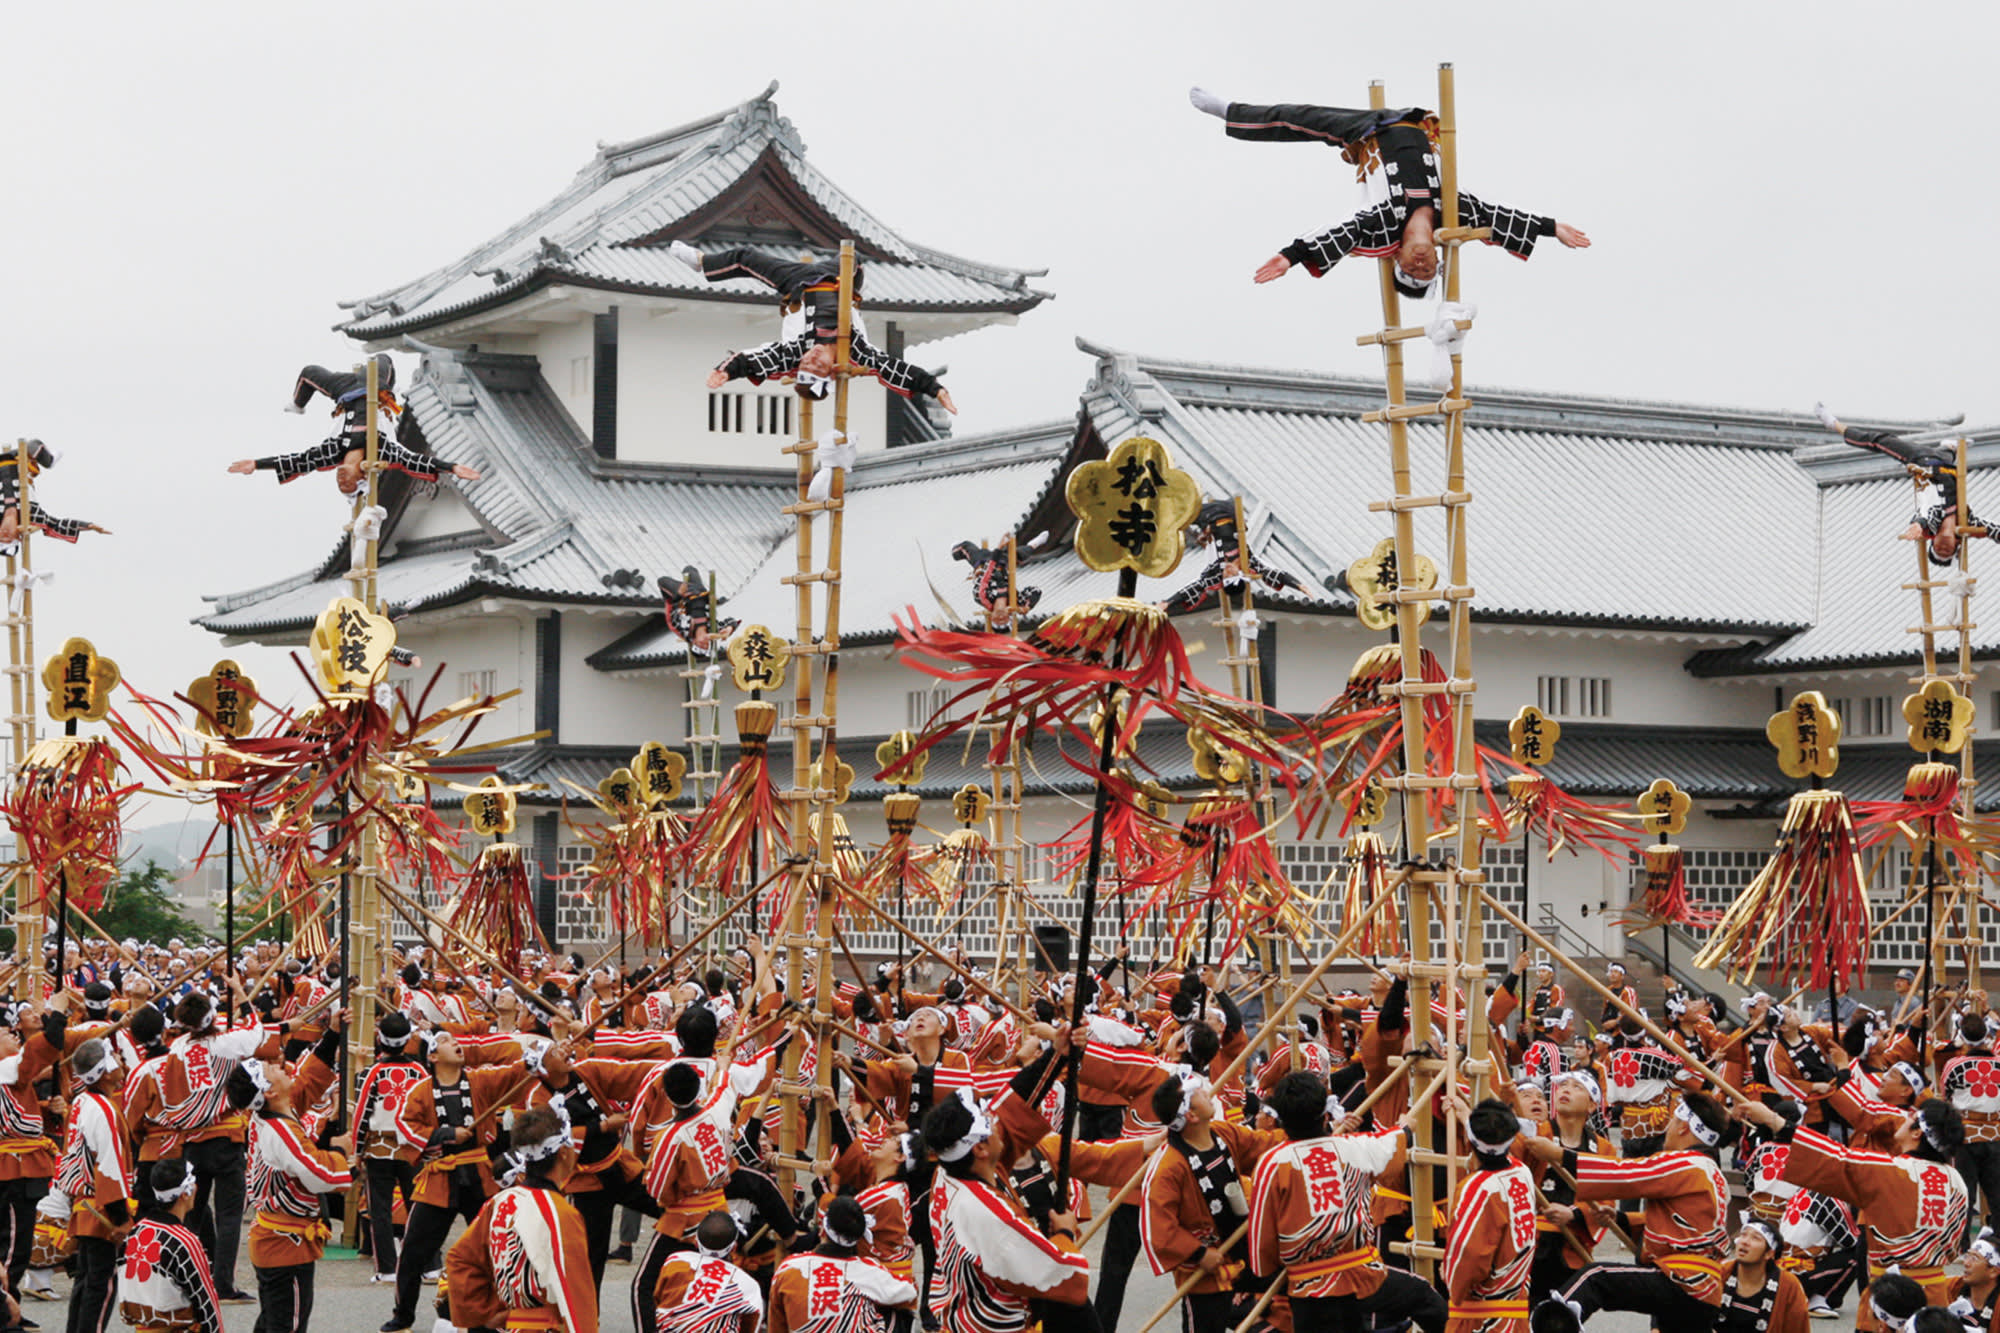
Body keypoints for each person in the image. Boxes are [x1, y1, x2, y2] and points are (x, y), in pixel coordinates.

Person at [1186, 90, 1590, 296]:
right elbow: (1498, 216)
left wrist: (1289, 257)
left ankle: (1229, 111)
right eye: (1427, 271)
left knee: (1297, 119)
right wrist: (1553, 228)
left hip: (1366, 133)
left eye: (1411, 270)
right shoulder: (1454, 213)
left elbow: (1340, 233)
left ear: (1397, 257)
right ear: (1438, 260)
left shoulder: (1383, 223)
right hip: (1417, 124)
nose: (1420, 265)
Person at [1734, 1095, 1968, 1329]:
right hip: (1934, 1294)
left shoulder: (1892, 1171)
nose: (1904, 1119)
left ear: (1917, 1133)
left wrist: (1772, 1119)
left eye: (1911, 1118)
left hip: (1890, 1296)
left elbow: (1837, 1159)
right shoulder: (1957, 1180)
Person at [1248, 1069, 1445, 1333]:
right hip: (1362, 1275)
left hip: (1309, 1286)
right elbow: (1393, 1142)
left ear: (1281, 1118)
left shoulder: (1272, 1163)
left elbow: (1261, 1241)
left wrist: (1269, 1273)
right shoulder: (1353, 1147)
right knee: (1427, 1300)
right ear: (1324, 1114)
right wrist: (1406, 1126)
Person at [1523, 1093, 1736, 1333]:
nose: (1667, 1130)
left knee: (1595, 1277)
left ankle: (1550, 1325)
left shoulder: (1685, 1164)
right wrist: (1622, 1219)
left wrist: (1560, 1156)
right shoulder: (1714, 1175)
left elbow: (1626, 1173)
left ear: (1683, 1127)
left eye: (1672, 1122)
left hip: (1682, 1277)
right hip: (1705, 1289)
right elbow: (1682, 1226)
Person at [674, 243, 959, 414]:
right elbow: (895, 369)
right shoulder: (855, 352)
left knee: (745, 256)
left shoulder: (796, 352)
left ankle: (701, 262)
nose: (811, 358)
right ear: (831, 371)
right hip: (839, 281)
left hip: (798, 282)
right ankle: (852, 276)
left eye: (806, 364)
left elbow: (755, 361)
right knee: (853, 257)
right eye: (817, 366)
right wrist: (936, 389)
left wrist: (725, 371)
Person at [230, 1010, 353, 1333]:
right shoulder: (281, 1131)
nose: (279, 1065)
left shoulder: (275, 1113)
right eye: (271, 1069)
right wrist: (341, 1151)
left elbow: (308, 1082)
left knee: (273, 1321)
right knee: (288, 1325)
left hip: (277, 1240)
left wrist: (333, 1035)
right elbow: (320, 1175)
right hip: (285, 1244)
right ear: (269, 1092)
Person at [444, 1106, 599, 1333]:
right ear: (564, 1153)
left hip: (513, 1325)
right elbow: (574, 1291)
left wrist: (486, 1312)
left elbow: (460, 1258)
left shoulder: (500, 1202)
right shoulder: (559, 1213)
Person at [229, 357, 482, 495]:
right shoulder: (380, 451)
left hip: (345, 393)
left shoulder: (332, 452)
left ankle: (297, 405)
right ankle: (391, 388)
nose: (341, 480)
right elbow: (414, 460)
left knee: (309, 372)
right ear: (362, 475)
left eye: (340, 485)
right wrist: (452, 467)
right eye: (347, 484)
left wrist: (257, 464)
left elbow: (298, 460)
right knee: (382, 359)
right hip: (376, 388)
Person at [1817, 404, 1986, 566]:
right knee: (1944, 457)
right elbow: (1991, 529)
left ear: (1933, 542)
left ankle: (1835, 425)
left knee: (1881, 441)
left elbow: (1923, 513)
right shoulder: (1965, 522)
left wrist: (1917, 524)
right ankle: (1949, 448)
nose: (1943, 547)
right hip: (1946, 465)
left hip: (1919, 460)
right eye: (1947, 552)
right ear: (1956, 545)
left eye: (1938, 550)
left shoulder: (1931, 524)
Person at [43, 1038, 131, 1333]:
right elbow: (108, 1165)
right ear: (103, 1072)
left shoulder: (81, 1102)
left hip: (85, 1203)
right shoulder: (102, 1109)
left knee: (86, 1280)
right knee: (101, 1285)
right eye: (113, 1058)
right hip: (101, 1206)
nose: (119, 1060)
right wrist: (120, 1217)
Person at [768, 1195, 917, 1333]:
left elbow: (776, 1326)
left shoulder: (789, 1267)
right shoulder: (867, 1271)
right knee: (898, 1311)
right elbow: (909, 1292)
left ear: (822, 1231)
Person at [116, 1159, 221, 1333]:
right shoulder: (184, 1242)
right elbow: (206, 1304)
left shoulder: (134, 1234)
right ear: (184, 1194)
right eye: (193, 1182)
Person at [1161, 500, 1303, 618]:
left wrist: (1168, 602)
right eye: (1232, 574)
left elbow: (1194, 588)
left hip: (1208, 517)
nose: (1228, 571)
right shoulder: (1249, 563)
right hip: (1229, 512)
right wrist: (1300, 586)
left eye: (1226, 576)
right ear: (1239, 574)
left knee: (1175, 512)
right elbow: (1275, 574)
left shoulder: (1216, 572)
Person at [653, 1209, 766, 1333]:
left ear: (696, 1242)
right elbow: (752, 1326)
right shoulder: (747, 1284)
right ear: (733, 1248)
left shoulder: (676, 1261)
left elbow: (657, 1298)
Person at [1715, 1218, 1808, 1333]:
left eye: (1755, 1238)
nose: (1745, 1242)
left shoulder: (1789, 1285)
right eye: (1743, 1235)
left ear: (1769, 1253)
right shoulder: (1720, 1273)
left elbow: (1798, 1327)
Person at [1946, 1227, 2000, 1333]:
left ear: (1993, 1271)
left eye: (1974, 1258)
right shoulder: (1951, 1287)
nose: (1966, 1263)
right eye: (1967, 1256)